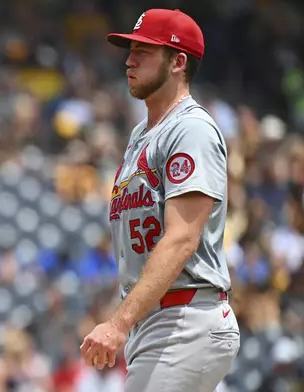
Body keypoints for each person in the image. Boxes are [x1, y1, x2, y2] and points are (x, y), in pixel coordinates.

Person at [79, 8, 240, 392]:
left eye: (144, 51)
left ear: (178, 62)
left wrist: (118, 324)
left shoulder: (190, 129)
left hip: (184, 318)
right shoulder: (142, 134)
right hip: (162, 321)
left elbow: (183, 238)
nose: (129, 59)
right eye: (131, 49)